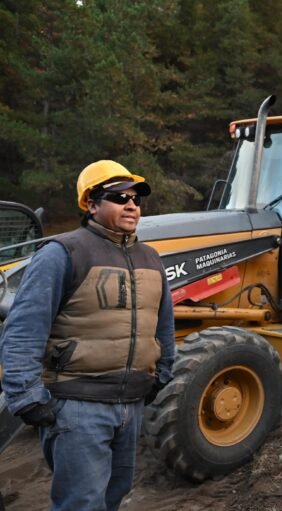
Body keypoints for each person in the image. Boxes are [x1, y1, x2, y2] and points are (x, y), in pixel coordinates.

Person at [0, 160, 176, 511]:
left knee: (114, 495)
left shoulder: (151, 259)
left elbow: (164, 326)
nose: (131, 205)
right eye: (119, 197)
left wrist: (163, 374)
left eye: (137, 198)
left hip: (131, 404)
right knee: (81, 503)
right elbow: (23, 328)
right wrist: (26, 396)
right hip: (78, 406)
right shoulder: (63, 253)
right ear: (91, 205)